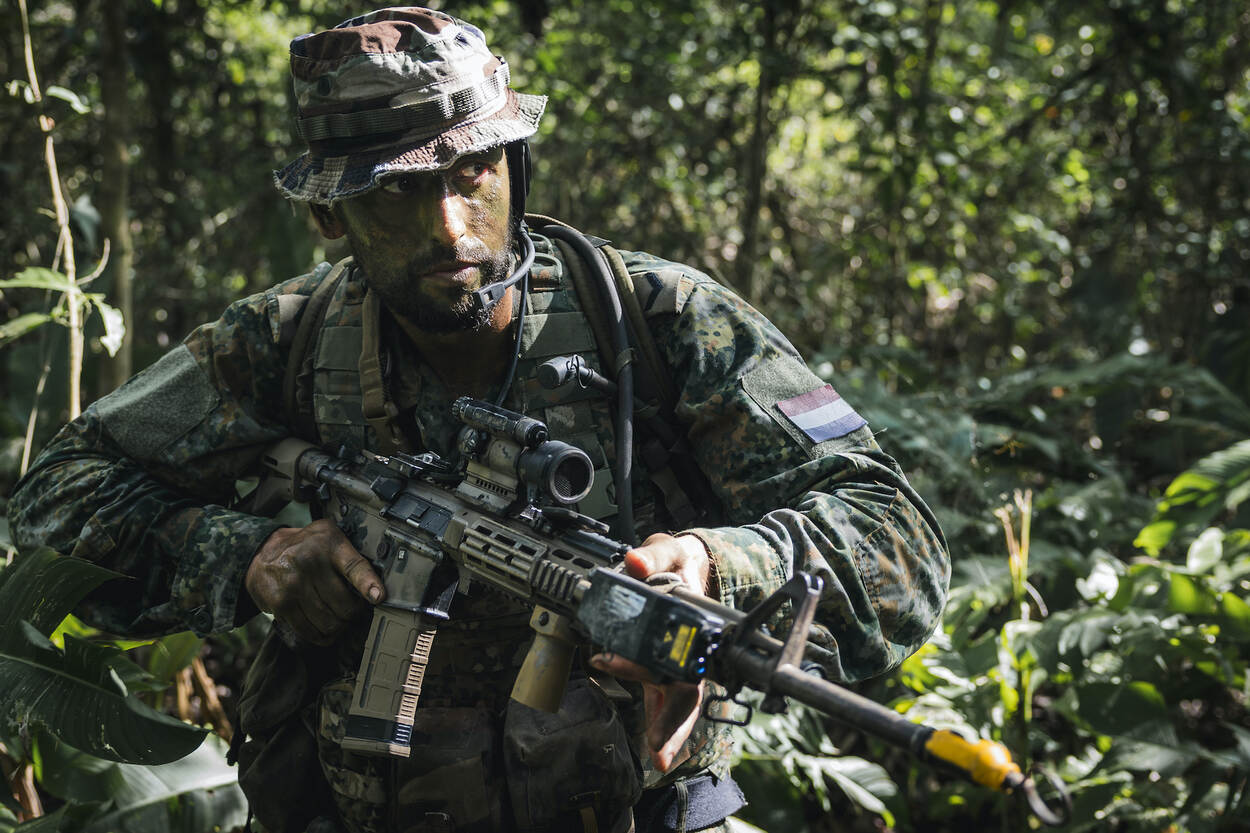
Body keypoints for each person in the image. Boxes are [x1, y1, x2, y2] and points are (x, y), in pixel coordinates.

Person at [10, 8, 949, 833]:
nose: (453, 228)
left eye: (474, 172)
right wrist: (247, 556)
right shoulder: (283, 343)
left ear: (516, 164)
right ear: (330, 215)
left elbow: (899, 541)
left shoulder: (659, 323)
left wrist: (714, 562)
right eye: (396, 191)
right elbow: (57, 498)